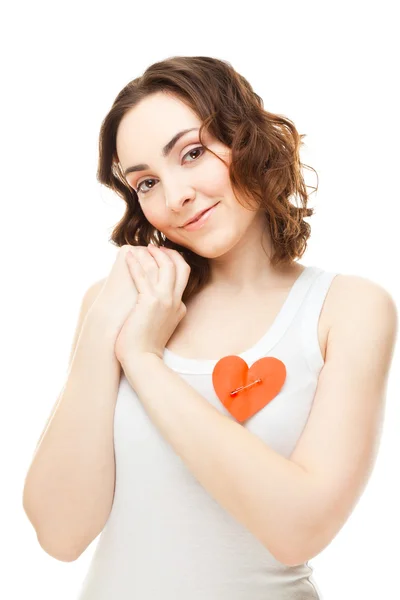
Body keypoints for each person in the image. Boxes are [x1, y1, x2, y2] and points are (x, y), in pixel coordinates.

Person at [23, 56, 398, 600]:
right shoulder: (115, 306)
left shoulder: (347, 308)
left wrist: (145, 361)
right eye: (146, 182)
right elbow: (59, 535)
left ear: (248, 141)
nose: (174, 197)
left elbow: (299, 529)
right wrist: (107, 317)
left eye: (192, 153)